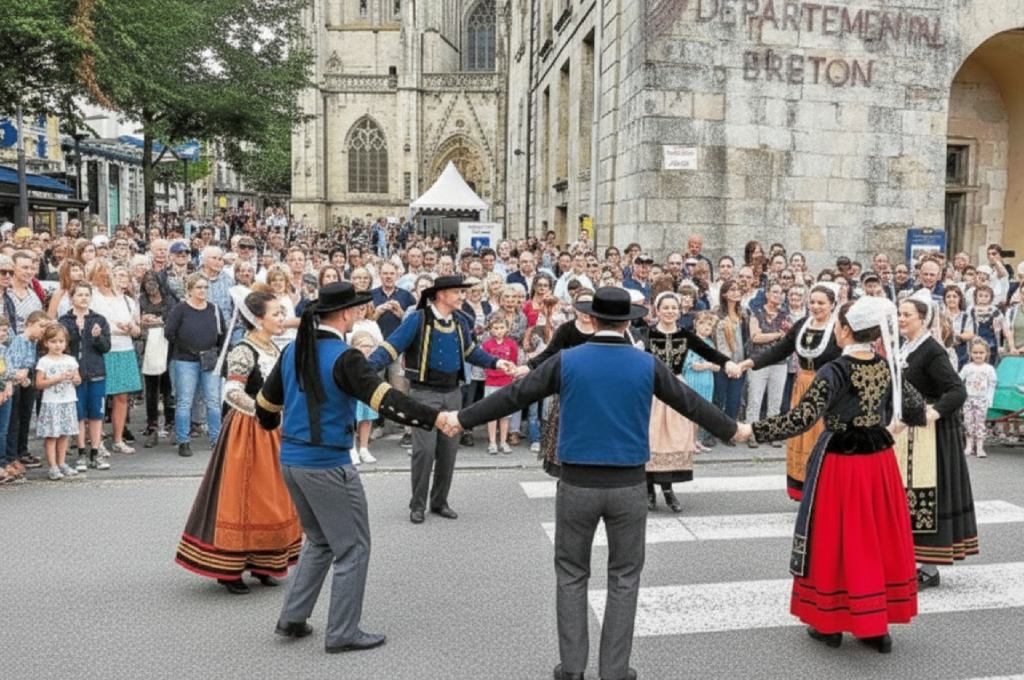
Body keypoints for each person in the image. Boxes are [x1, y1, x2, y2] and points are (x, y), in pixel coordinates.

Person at [443, 286, 748, 680]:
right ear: (626, 323)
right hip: (628, 485)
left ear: (592, 317)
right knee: (624, 577)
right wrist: (732, 428)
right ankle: (614, 670)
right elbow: (689, 402)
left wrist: (462, 419)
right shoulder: (646, 363)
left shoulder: (568, 360)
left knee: (571, 574)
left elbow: (514, 396)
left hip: (577, 483)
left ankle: (572, 669)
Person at [254, 282, 447, 653]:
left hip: (292, 460)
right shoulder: (345, 357)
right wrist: (435, 418)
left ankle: (293, 617)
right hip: (327, 463)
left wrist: (279, 426)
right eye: (356, 308)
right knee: (353, 547)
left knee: (320, 540)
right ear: (345, 314)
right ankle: (342, 631)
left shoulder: (293, 349)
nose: (359, 312)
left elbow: (265, 406)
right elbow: (387, 401)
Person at [750, 296, 927, 654]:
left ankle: (829, 622)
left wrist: (752, 430)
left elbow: (801, 419)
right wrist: (884, 422)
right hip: (878, 460)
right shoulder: (886, 366)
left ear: (846, 330)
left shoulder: (835, 370)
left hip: (841, 461)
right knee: (875, 536)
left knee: (834, 538)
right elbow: (915, 408)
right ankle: (875, 627)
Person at [176, 290, 303, 594]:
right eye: (276, 314)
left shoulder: (273, 346)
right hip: (248, 430)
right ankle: (229, 569)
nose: (282, 318)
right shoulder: (244, 351)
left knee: (272, 496)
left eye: (282, 313)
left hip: (274, 429)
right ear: (258, 319)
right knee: (244, 497)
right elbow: (232, 392)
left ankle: (264, 562)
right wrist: (264, 411)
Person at [368, 275, 515, 523]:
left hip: (453, 393)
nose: (461, 296)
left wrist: (496, 362)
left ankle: (439, 502)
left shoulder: (460, 320)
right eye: (457, 292)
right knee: (424, 451)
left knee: (448, 451)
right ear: (441, 294)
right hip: (423, 394)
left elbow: (470, 352)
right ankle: (417, 505)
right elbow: (392, 347)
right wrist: (366, 367)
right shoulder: (418, 318)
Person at [897, 290, 976, 588]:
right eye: (900, 314)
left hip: (930, 437)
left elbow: (957, 390)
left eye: (907, 315)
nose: (901, 319)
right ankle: (910, 560)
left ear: (923, 319)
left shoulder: (932, 350)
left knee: (927, 497)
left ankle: (928, 568)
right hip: (909, 433)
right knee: (909, 496)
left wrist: (933, 412)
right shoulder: (907, 347)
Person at [736, 283, 840, 499]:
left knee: (821, 435)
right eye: (812, 302)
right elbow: (781, 349)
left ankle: (826, 488)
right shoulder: (803, 324)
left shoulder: (839, 328)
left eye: (821, 303)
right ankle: (804, 488)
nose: (815, 306)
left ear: (832, 304)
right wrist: (750, 363)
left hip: (828, 388)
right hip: (803, 385)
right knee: (801, 432)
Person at [645, 292, 737, 511]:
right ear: (657, 310)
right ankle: (648, 489)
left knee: (672, 441)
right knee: (651, 440)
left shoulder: (684, 336)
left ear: (679, 311)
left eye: (673, 308)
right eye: (665, 307)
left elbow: (708, 352)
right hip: (651, 391)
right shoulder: (647, 334)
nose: (669, 311)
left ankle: (668, 490)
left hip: (676, 391)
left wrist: (727, 363)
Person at [165, 273, 226, 457]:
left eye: (205, 287)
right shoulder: (180, 309)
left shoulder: (214, 309)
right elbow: (169, 332)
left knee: (213, 401)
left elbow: (222, 334)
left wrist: (218, 354)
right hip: (185, 359)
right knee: (184, 401)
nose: (203, 291)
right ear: (189, 290)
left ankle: (217, 439)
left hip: (209, 359)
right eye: (199, 287)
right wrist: (186, 347)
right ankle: (183, 440)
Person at [59, 283, 111, 472]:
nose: (83, 298)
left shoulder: (99, 320)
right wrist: (76, 332)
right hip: (74, 376)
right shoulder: (64, 320)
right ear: (72, 298)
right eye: (79, 295)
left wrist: (97, 337)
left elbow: (106, 347)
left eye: (86, 295)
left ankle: (95, 452)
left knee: (96, 414)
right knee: (79, 414)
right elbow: (62, 348)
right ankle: (81, 452)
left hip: (96, 372)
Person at [35, 324, 82, 481]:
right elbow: (39, 383)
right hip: (51, 403)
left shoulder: (71, 360)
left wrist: (75, 379)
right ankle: (53, 466)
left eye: (61, 341)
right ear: (46, 343)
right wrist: (56, 379)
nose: (58, 345)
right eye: (53, 341)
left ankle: (62, 463)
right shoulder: (44, 361)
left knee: (64, 434)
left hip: (68, 401)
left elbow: (78, 379)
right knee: (51, 435)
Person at [481, 315, 519, 455]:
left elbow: (513, 361)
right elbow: (484, 362)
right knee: (491, 413)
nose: (499, 331)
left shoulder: (511, 344)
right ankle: (492, 442)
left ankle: (503, 441)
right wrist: (492, 373)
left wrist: (510, 374)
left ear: (507, 329)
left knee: (505, 414)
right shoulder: (487, 345)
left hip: (506, 382)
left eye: (502, 328)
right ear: (491, 329)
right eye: (496, 328)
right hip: (491, 382)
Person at [684, 311, 719, 451]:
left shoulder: (711, 343)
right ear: (696, 325)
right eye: (702, 323)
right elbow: (691, 365)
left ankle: (697, 440)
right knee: (691, 412)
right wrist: (707, 365)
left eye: (709, 324)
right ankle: (689, 441)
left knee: (701, 413)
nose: (706, 327)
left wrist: (709, 365)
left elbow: (718, 366)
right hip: (692, 379)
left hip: (707, 381)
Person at [959, 338, 997, 458]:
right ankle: (969, 446)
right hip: (968, 399)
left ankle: (980, 447)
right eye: (975, 352)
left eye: (981, 353)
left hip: (982, 399)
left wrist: (989, 400)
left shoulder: (989, 369)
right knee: (968, 422)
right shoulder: (967, 367)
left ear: (986, 353)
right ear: (970, 353)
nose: (978, 355)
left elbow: (992, 384)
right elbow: (959, 380)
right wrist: (961, 397)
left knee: (980, 423)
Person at [349, 330, 380, 465]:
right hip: (354, 394)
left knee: (367, 420)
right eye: (363, 346)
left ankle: (364, 448)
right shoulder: (350, 361)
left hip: (367, 395)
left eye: (370, 346)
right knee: (352, 421)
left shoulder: (373, 362)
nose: (367, 349)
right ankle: (351, 449)